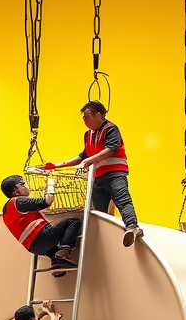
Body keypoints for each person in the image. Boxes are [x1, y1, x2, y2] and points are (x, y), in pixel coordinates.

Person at [54, 100, 143, 248]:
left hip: (115, 173)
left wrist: (90, 160)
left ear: (98, 114)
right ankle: (104, 236)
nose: (84, 120)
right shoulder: (88, 135)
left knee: (122, 199)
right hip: (98, 177)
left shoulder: (110, 128)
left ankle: (132, 226)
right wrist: (60, 164)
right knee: (98, 209)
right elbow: (83, 155)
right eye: (83, 117)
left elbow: (112, 148)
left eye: (87, 116)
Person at [0, 174, 82, 276]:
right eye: (22, 184)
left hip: (34, 248)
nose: (26, 186)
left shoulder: (6, 210)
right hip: (41, 236)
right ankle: (63, 253)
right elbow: (47, 201)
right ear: (15, 191)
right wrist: (51, 184)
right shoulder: (18, 201)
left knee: (54, 251)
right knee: (74, 221)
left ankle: (58, 265)